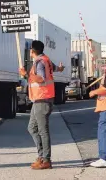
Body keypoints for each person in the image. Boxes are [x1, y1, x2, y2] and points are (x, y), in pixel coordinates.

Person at [19, 40, 65, 170]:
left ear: (32, 51)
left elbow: (41, 78)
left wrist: (26, 74)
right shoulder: (46, 60)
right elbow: (56, 69)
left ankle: (46, 159)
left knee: (42, 131)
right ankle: (41, 156)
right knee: (32, 128)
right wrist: (61, 68)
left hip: (43, 100)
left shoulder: (39, 62)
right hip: (40, 100)